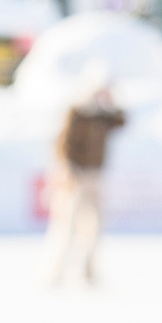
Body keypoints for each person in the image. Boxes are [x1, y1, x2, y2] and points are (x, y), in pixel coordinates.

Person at [43, 66, 127, 286]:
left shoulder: (103, 115)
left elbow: (122, 121)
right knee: (68, 225)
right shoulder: (77, 112)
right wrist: (67, 169)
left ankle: (88, 271)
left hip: (95, 176)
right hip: (77, 175)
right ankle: (55, 272)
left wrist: (111, 102)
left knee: (95, 226)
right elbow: (63, 144)